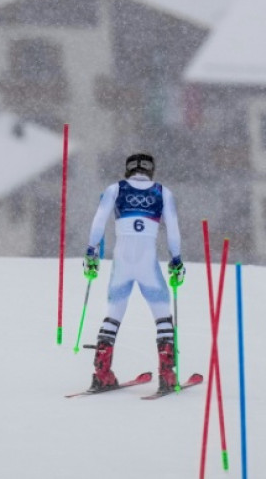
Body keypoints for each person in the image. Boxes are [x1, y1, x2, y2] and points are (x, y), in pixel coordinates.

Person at [83, 153, 185, 393]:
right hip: (147, 261)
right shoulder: (162, 192)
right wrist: (176, 259)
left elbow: (99, 221)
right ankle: (167, 373)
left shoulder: (115, 189)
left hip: (122, 261)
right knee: (161, 312)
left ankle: (101, 372)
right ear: (151, 169)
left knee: (114, 312)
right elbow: (173, 231)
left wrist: (91, 251)